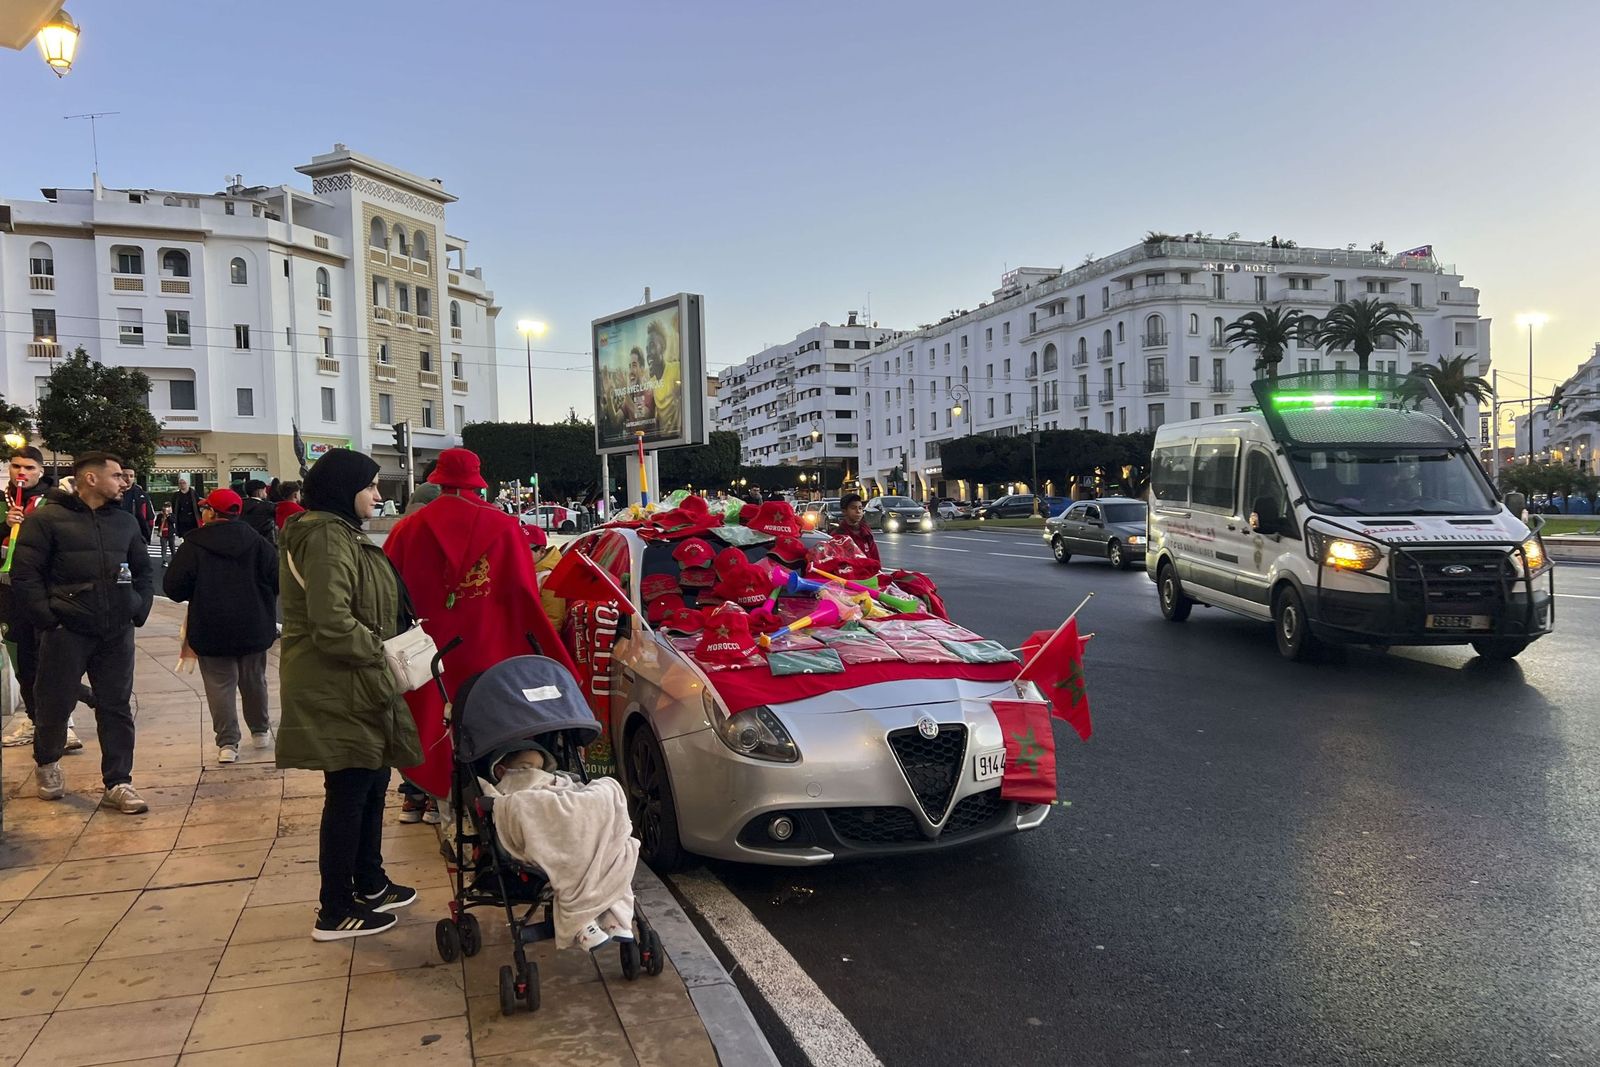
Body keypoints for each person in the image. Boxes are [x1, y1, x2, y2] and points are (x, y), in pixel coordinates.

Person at [278, 448, 422, 940]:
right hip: (338, 680)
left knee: (373, 779)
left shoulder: (337, 532)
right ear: (345, 488)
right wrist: (380, 652)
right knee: (349, 790)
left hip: (355, 680)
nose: (378, 496)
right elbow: (331, 621)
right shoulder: (324, 536)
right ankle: (335, 908)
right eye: (372, 487)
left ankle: (370, 881)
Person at [383, 447, 577, 803]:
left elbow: (389, 597)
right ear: (477, 479)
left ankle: (431, 800)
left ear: (438, 479)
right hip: (493, 650)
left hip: (429, 656)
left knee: (436, 727)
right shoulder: (505, 528)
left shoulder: (406, 530)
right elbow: (523, 596)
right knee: (494, 730)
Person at [10, 452, 153, 813]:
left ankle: (119, 782)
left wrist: (138, 607)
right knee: (54, 703)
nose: (124, 482)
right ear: (91, 479)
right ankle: (47, 762)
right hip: (66, 630)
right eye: (117, 475)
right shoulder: (46, 520)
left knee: (116, 706)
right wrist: (49, 619)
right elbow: (25, 576)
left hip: (116, 631)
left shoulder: (125, 522)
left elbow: (142, 571)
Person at [164, 488, 278, 764]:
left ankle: (228, 743)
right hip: (254, 625)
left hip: (211, 627)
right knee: (254, 679)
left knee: (219, 685)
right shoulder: (258, 543)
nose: (202, 511)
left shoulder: (194, 544)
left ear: (212, 512)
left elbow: (174, 588)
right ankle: (261, 731)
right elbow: (277, 582)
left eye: (205, 508)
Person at [0, 447, 87, 752]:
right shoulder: (2, 502)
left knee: (53, 660)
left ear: (40, 471)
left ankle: (66, 724)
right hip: (10, 592)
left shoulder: (53, 501)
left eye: (28, 467)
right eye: (15, 466)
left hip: (47, 591)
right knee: (23, 661)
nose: (20, 473)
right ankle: (36, 721)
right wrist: (4, 526)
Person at [830, 492, 880, 563]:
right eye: (853, 508)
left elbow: (875, 558)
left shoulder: (866, 533)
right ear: (844, 511)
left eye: (860, 508)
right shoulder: (837, 536)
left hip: (869, 572)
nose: (858, 511)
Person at [120, 468, 155, 545]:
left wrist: (146, 536)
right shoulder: (112, 493)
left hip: (137, 536)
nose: (128, 479)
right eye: (125, 475)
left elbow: (150, 517)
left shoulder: (141, 495)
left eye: (131, 476)